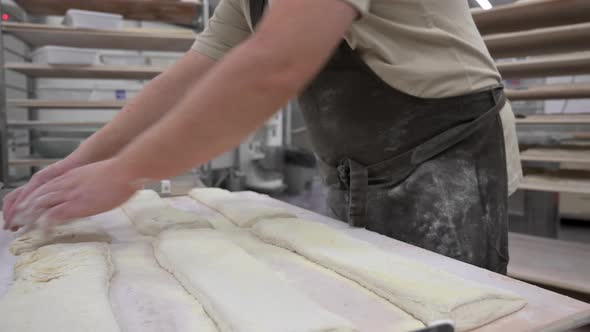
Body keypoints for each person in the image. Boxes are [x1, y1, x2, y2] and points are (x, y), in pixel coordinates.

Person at [2, 0, 521, 274]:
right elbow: (187, 78)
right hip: (364, 166)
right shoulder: (246, 0)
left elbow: (274, 64)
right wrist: (76, 163)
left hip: (446, 149)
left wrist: (124, 172)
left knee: (444, 300)